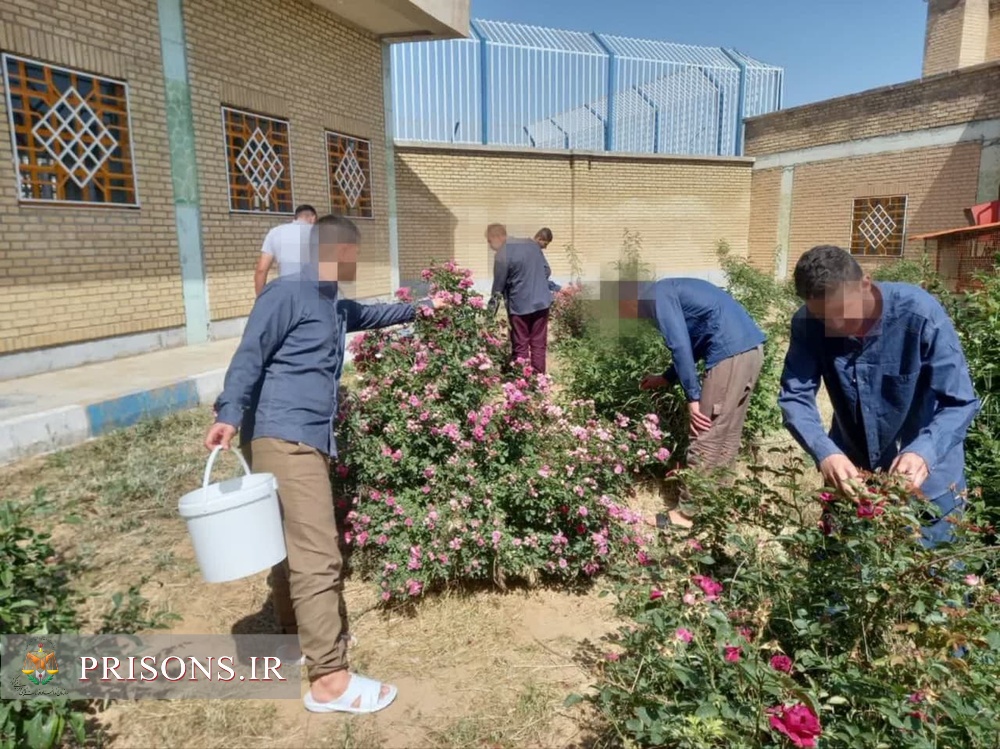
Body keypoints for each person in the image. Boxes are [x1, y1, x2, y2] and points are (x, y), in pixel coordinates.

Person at [206, 213, 444, 713]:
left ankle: (292, 636)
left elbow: (374, 316)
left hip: (299, 434)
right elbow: (250, 354)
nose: (358, 262)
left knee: (290, 542)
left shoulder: (330, 301)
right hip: (284, 436)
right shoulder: (286, 293)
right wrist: (228, 414)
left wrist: (425, 308)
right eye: (354, 254)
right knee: (318, 552)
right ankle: (330, 680)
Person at [779, 245, 979, 547]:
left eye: (843, 313)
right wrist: (826, 452)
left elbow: (960, 402)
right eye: (823, 318)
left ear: (866, 284)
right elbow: (795, 398)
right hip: (854, 482)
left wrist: (922, 451)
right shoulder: (808, 323)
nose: (835, 327)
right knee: (843, 583)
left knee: (936, 582)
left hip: (930, 483)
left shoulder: (919, 314)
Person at [621, 277, 766, 528]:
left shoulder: (657, 296)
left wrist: (693, 397)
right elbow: (694, 344)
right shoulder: (668, 292)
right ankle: (716, 503)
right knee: (726, 433)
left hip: (729, 354)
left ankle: (686, 514)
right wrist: (666, 378)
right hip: (749, 351)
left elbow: (679, 345)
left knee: (705, 431)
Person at [487, 223, 553, 375]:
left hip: (520, 306)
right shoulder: (531, 244)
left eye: (490, 241)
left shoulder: (503, 254)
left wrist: (489, 316)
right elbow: (546, 270)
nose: (490, 246)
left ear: (497, 237)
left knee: (521, 343)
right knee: (538, 343)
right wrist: (535, 283)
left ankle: (522, 382)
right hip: (542, 303)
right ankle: (538, 380)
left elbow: (498, 288)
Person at [254, 204, 317, 296]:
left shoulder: (275, 232)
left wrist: (260, 301)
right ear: (313, 218)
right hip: (314, 295)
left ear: (295, 218)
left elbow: (261, 271)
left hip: (286, 294)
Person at [534, 228, 562, 296]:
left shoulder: (536, 251)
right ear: (539, 239)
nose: (545, 247)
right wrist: (558, 288)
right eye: (545, 244)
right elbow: (537, 279)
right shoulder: (532, 253)